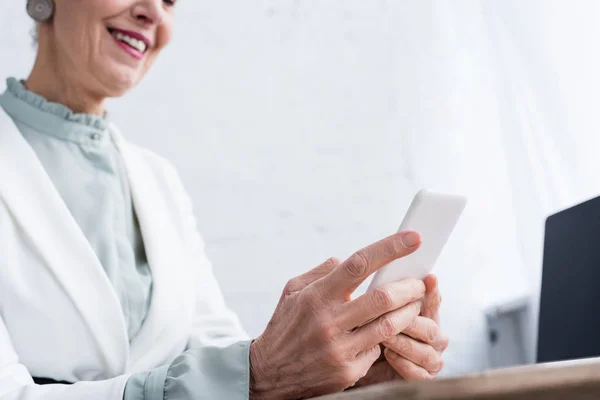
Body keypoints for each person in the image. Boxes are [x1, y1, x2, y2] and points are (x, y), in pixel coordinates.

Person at [0, 1, 449, 399]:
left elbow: (218, 355)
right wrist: (255, 375)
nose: (153, 12)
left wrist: (347, 373)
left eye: (170, 1)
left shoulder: (158, 180)